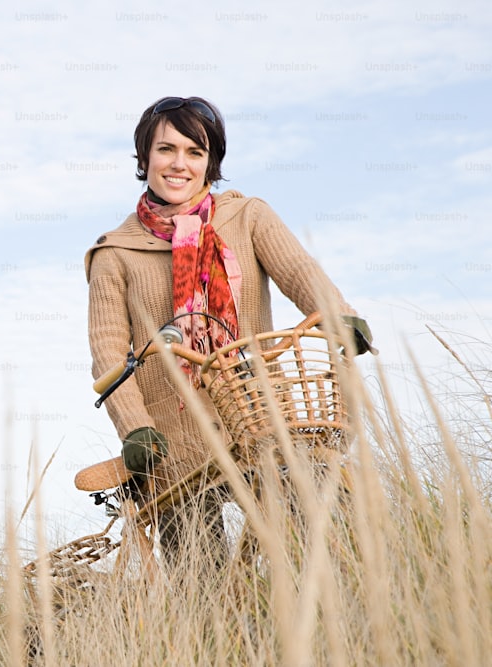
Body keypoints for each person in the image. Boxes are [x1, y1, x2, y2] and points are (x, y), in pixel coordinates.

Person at [85, 96, 372, 572]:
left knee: (317, 538)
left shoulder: (247, 218)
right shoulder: (115, 253)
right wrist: (135, 427)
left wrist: (337, 314)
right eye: (166, 150)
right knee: (205, 586)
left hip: (259, 414)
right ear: (144, 158)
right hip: (174, 439)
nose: (180, 164)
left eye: (195, 152)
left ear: (210, 163)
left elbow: (299, 271)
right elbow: (109, 354)